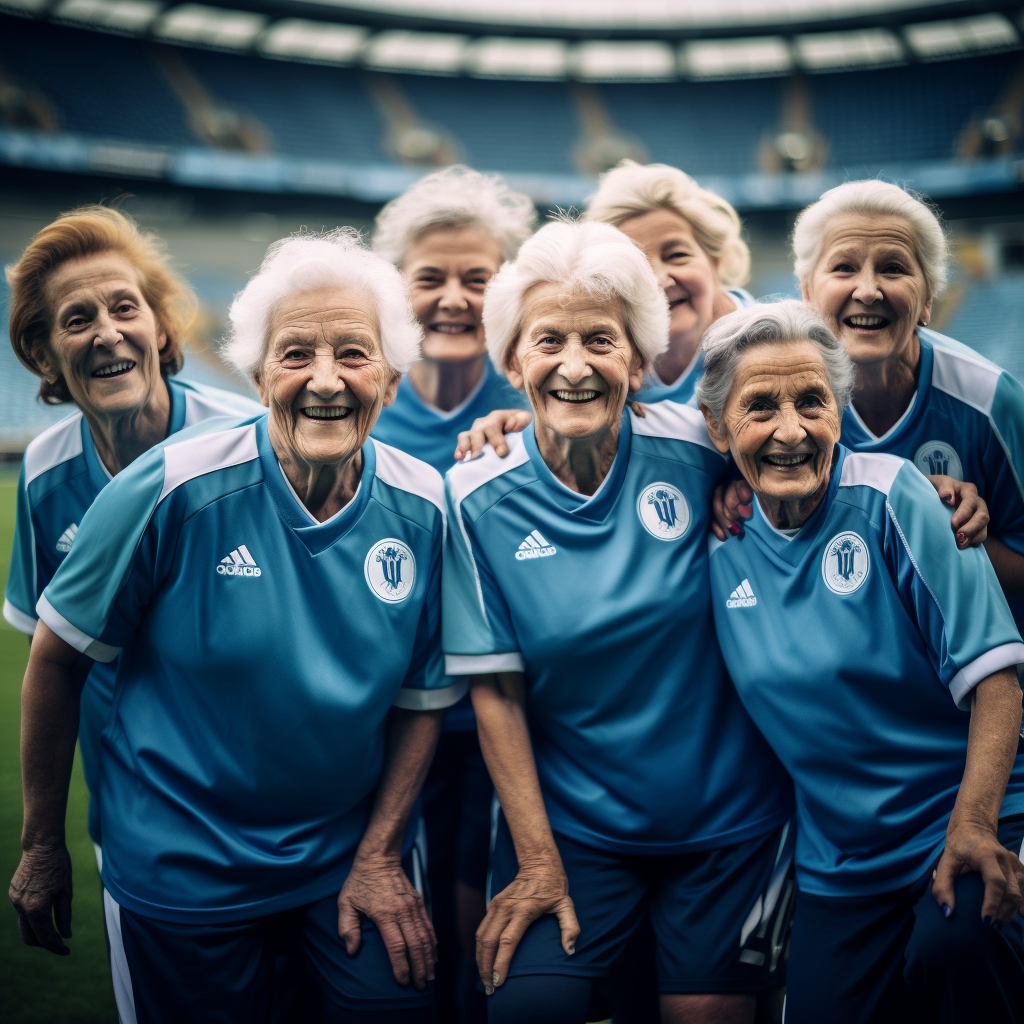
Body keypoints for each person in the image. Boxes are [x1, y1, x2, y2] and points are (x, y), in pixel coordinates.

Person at [9, 230, 465, 1023]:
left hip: (347, 863)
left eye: (354, 355)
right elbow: (55, 660)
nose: (325, 381)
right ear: (256, 377)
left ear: (391, 379)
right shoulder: (166, 488)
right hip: (183, 867)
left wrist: (382, 854)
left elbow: (423, 699)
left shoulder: (425, 504)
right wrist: (43, 844)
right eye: (296, 355)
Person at [442, 220, 795, 1024]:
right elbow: (494, 691)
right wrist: (536, 860)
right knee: (529, 1013)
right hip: (573, 831)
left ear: (639, 360)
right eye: (547, 341)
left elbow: (813, 460)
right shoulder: (469, 497)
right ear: (512, 363)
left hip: (729, 825)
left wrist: (952, 497)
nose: (574, 365)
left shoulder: (703, 448)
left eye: (600, 340)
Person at [698, 299, 1024, 1024]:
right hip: (841, 863)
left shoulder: (896, 497)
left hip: (965, 816)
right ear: (717, 428)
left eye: (812, 401)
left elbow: (998, 682)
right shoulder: (718, 536)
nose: (791, 430)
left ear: (840, 410)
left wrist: (974, 826)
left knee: (957, 953)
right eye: (759, 408)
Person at [3, 205, 261, 866]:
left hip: (263, 807)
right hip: (133, 816)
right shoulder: (45, 473)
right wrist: (40, 841)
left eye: (125, 308)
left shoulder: (249, 443)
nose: (108, 334)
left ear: (160, 326)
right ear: (44, 354)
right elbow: (52, 664)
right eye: (77, 318)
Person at [370, 166, 534, 1023]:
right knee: (395, 943)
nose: (454, 297)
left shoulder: (540, 395)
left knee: (477, 940)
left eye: (480, 277)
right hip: (381, 719)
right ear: (396, 288)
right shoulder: (357, 400)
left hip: (499, 720)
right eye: (431, 276)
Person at [717, 180, 1022, 601]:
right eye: (844, 267)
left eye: (893, 268)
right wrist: (730, 494)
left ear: (929, 297)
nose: (867, 290)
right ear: (806, 292)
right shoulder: (775, 404)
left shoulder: (991, 400)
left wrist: (932, 525)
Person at [452, 159, 755, 459]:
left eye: (677, 255)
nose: (660, 280)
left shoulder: (772, 348)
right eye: (640, 265)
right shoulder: (598, 348)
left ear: (717, 259)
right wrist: (523, 426)